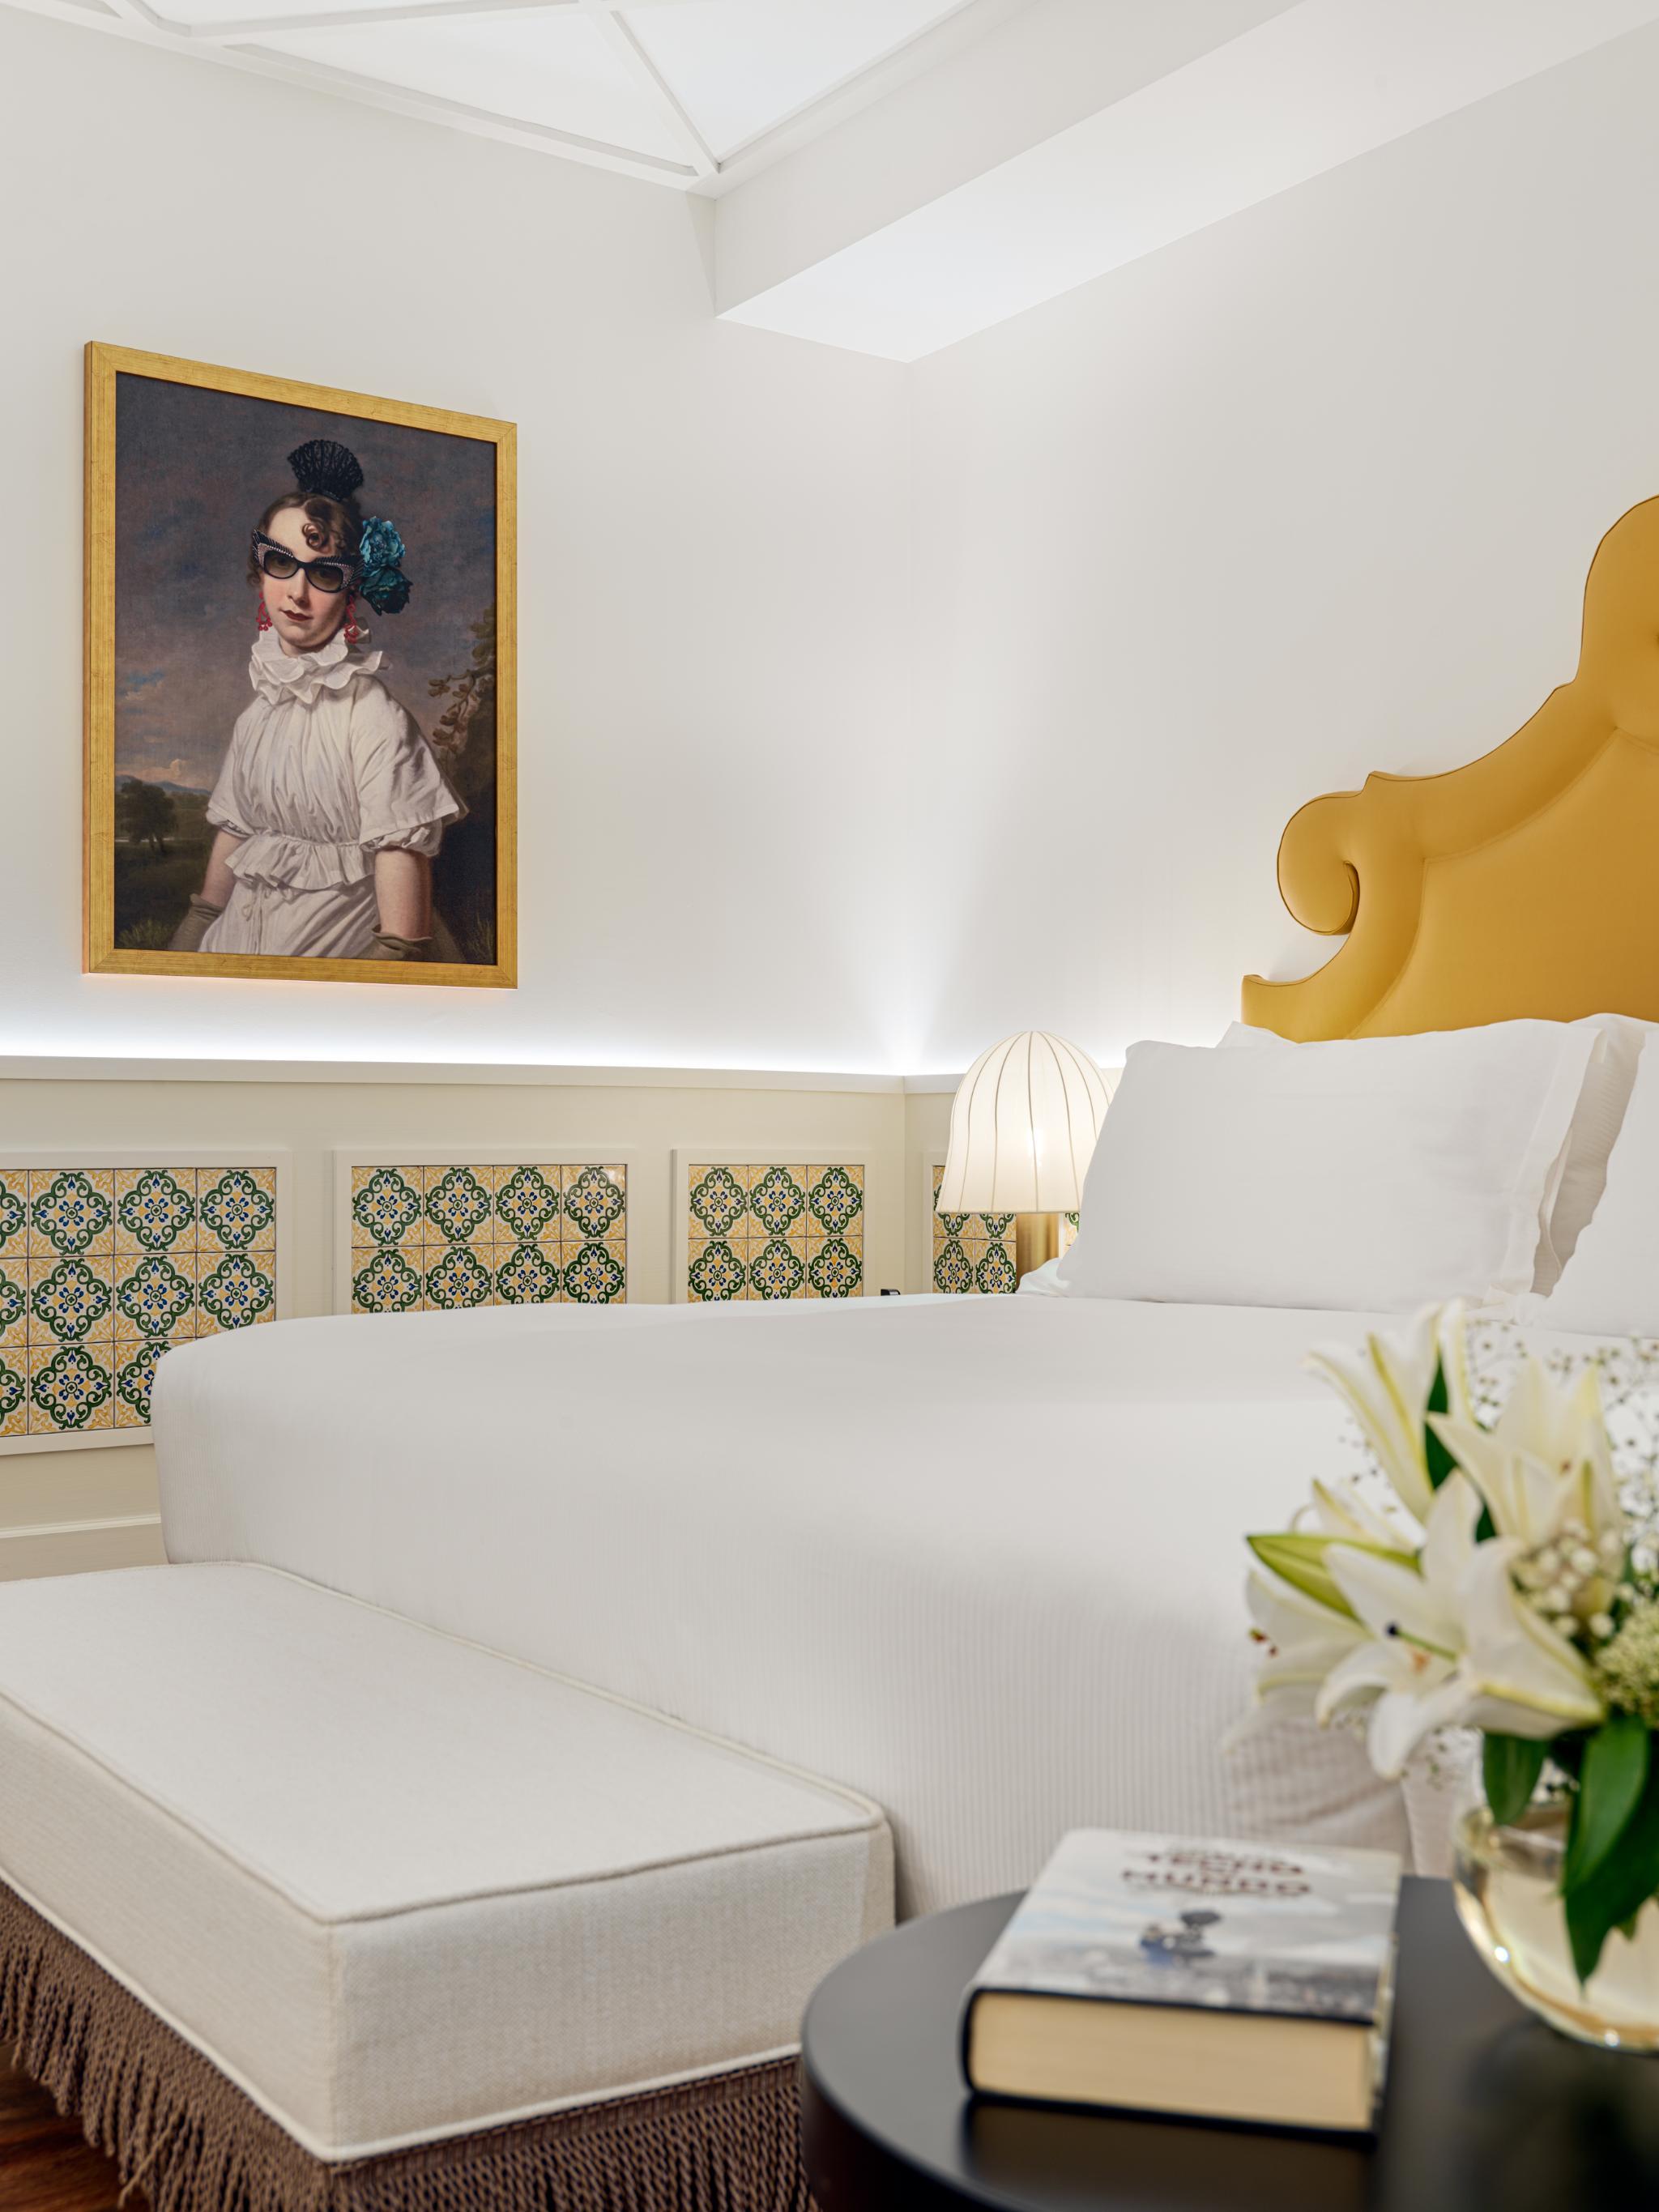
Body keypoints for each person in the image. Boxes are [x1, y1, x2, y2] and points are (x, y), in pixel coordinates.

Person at [171, 438, 463, 961]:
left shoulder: (373, 718)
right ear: (260, 570)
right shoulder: (256, 716)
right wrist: (179, 960)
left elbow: (402, 937)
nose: (297, 594)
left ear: (351, 591)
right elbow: (220, 878)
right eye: (280, 563)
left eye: (324, 574)